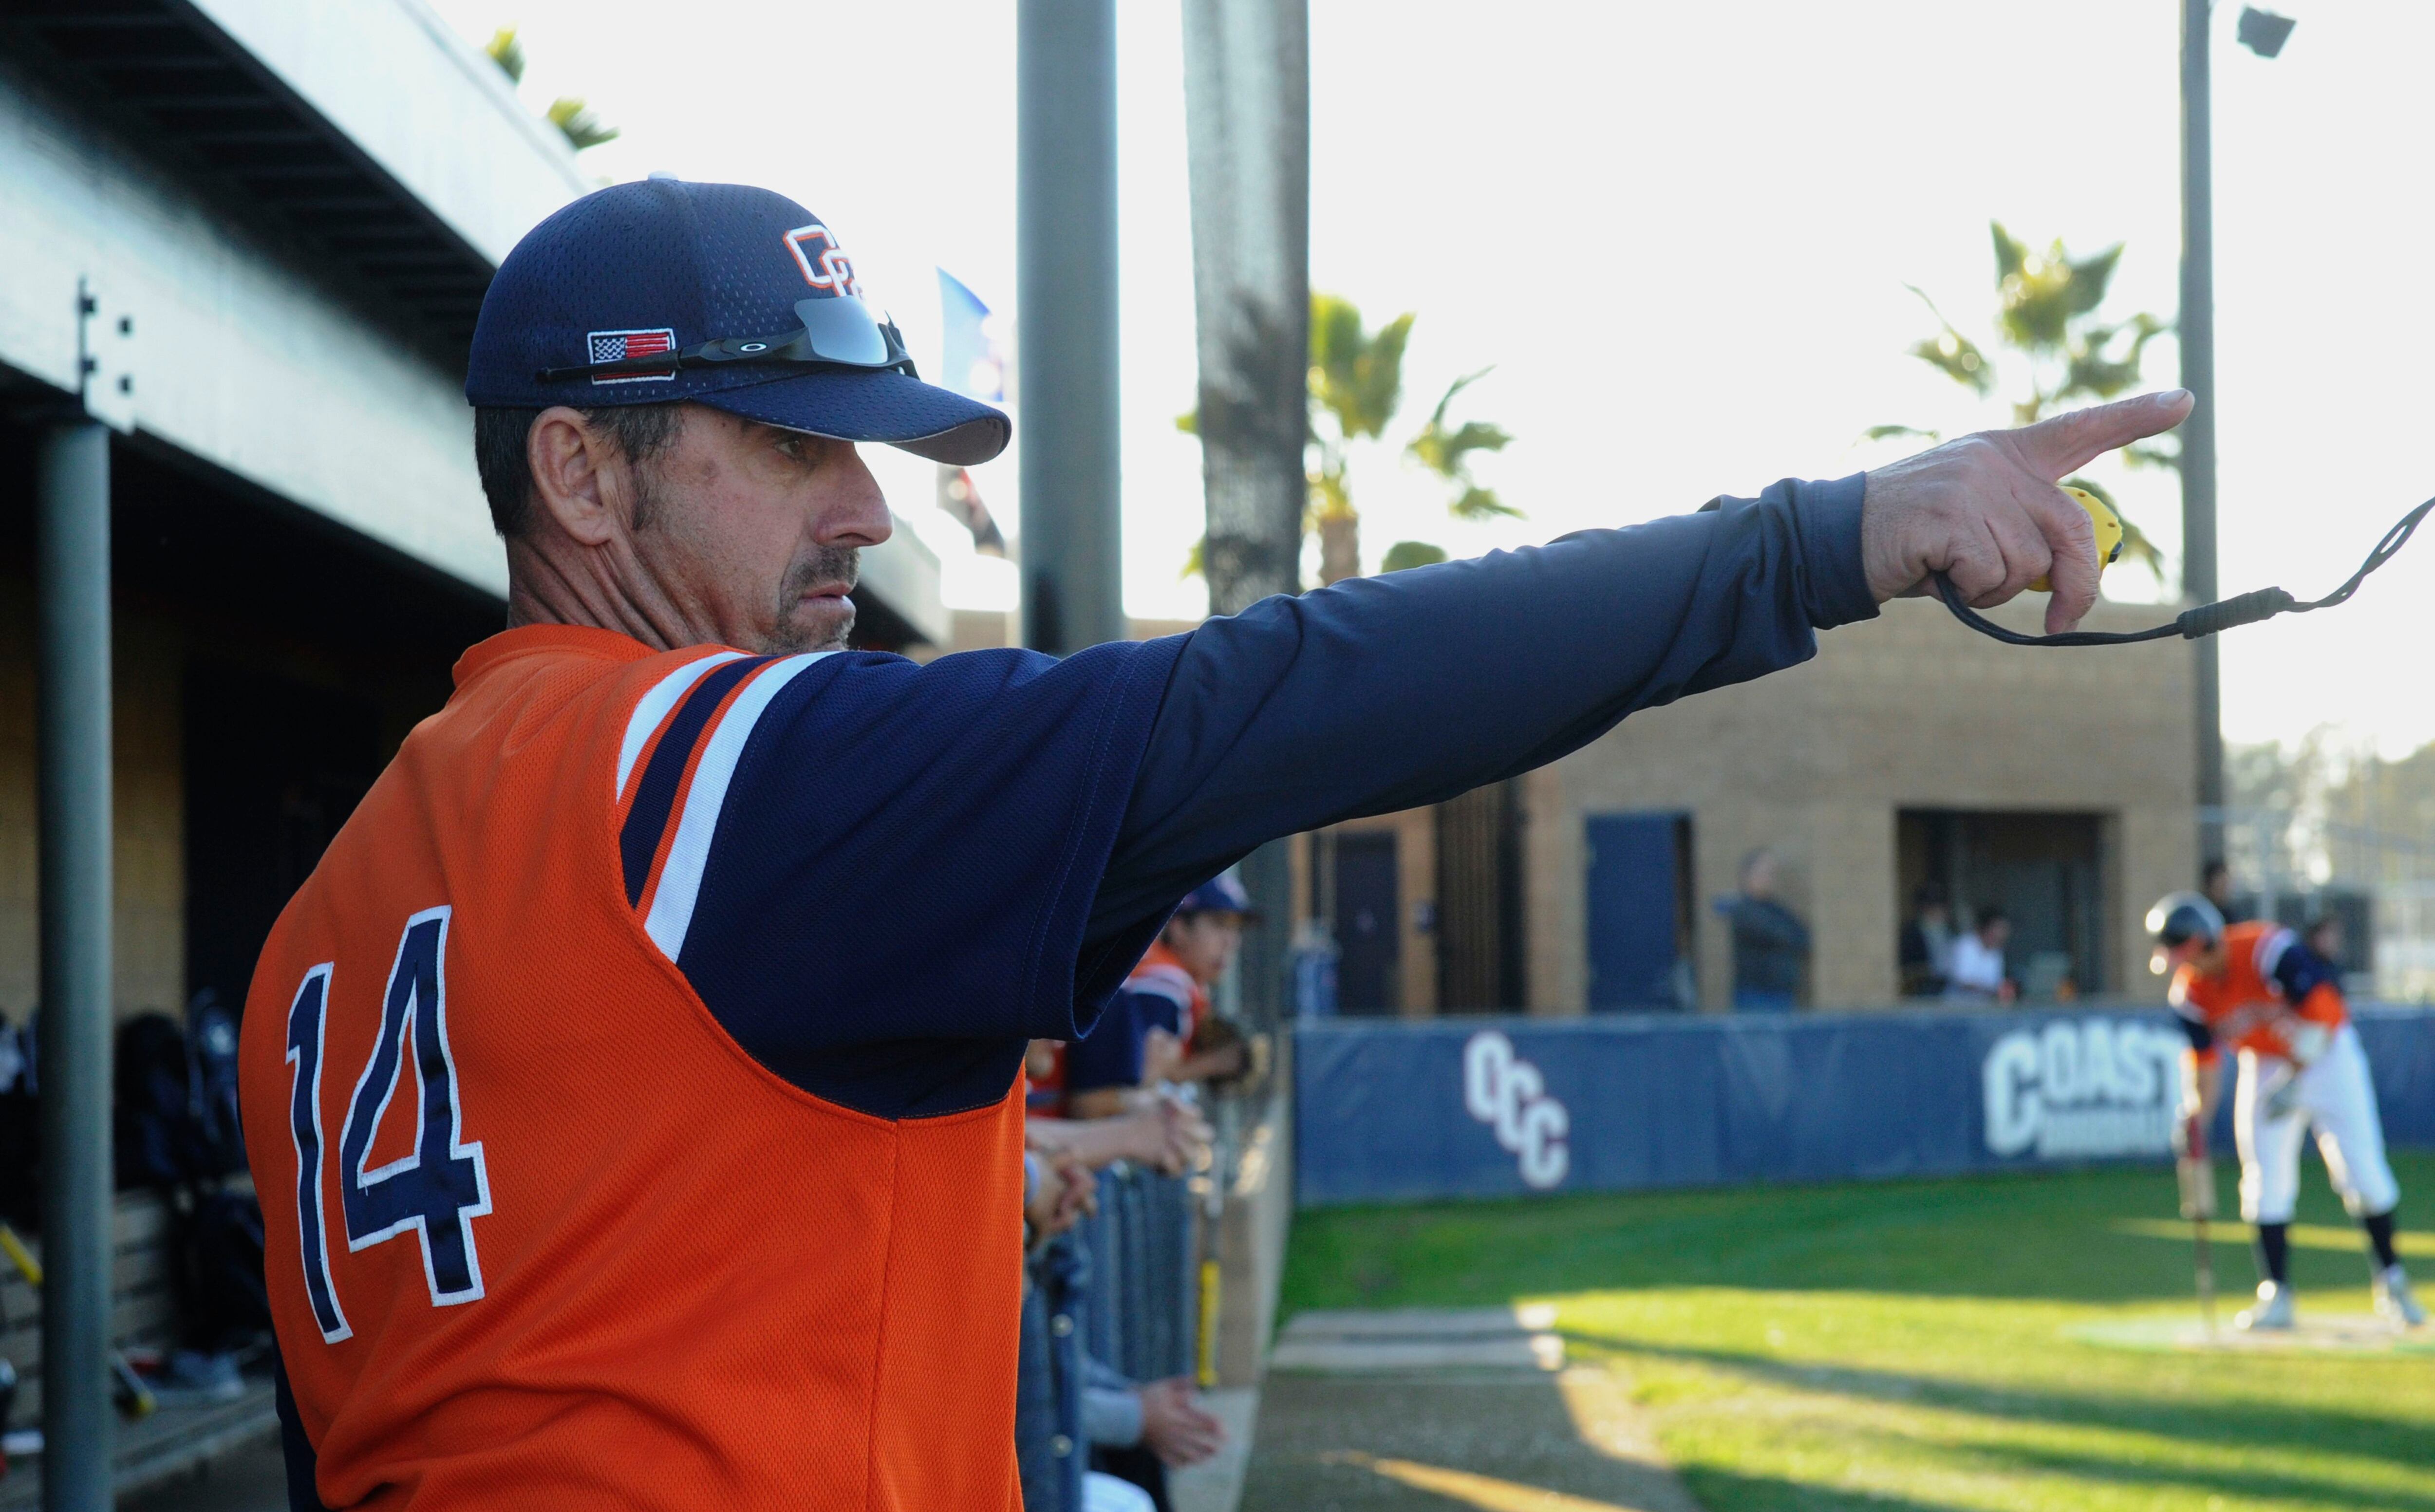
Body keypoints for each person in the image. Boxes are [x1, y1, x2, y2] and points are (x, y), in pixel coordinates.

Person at [235, 173, 2190, 1509]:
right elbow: (1283, 694)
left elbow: (625, 1266)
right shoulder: (704, 762)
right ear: (576, 467)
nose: (859, 506)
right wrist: (1815, 538)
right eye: (787, 443)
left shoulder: (322, 924)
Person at [2148, 891, 2425, 1331]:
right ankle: (2276, 1292)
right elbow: (2205, 1062)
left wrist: (2295, 1079)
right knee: (2263, 1175)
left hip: (2328, 1056)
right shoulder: (2190, 993)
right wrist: (2196, 1116)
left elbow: (2325, 1015)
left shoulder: (2267, 950)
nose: (2185, 965)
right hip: (2265, 1063)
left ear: (2205, 941)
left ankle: (2392, 1280)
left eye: (2187, 953)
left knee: (2364, 1173)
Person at [1065, 874, 1255, 1119]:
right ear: (1178, 928)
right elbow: (1102, 1099)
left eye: (1236, 928)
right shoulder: (1166, 986)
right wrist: (1209, 1064)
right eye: (1219, 924)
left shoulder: (1163, 972)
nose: (1230, 941)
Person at [1719, 849, 1810, 1011]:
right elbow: (1784, 936)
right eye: (1763, 873)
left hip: (1782, 995)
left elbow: (1803, 936)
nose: (1768, 879)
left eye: (1771, 874)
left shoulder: (1776, 909)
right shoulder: (1744, 911)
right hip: (1756, 998)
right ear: (1747, 875)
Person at [1944, 906, 2015, 1005]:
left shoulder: (1997, 952)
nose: (2003, 933)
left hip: (1984, 1009)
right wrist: (1991, 990)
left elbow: (1996, 983)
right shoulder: (1965, 944)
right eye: (2000, 928)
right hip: (1957, 1008)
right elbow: (1963, 982)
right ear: (1987, 928)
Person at [1898, 883, 1953, 998]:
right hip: (1920, 990)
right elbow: (1908, 968)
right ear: (1926, 909)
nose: (1942, 913)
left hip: (1946, 989)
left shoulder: (1946, 931)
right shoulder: (1912, 934)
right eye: (1937, 909)